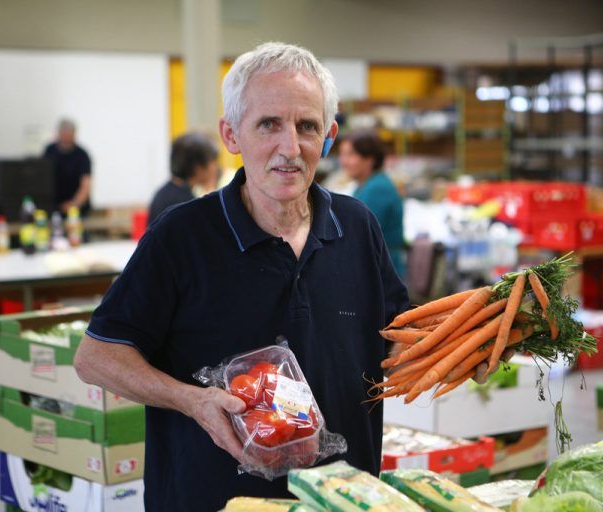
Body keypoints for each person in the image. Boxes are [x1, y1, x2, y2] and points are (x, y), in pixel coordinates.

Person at [72, 42, 409, 511]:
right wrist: (193, 401)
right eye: (268, 124)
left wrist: (463, 344)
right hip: (214, 500)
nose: (289, 148)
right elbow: (96, 356)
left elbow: (395, 333)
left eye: (307, 126)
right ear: (232, 135)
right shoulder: (182, 236)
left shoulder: (357, 225)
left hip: (342, 498)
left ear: (328, 135)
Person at [338, 132, 406, 277]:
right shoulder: (363, 186)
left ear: (369, 159)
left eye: (350, 155)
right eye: (342, 155)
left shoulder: (377, 188)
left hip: (381, 269)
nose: (343, 161)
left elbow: (358, 233)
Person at [148, 131, 219, 224]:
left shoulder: (163, 193)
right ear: (198, 168)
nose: (216, 168)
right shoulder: (186, 204)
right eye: (213, 161)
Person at [42, 119, 92, 215]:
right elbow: (42, 178)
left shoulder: (82, 155)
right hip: (53, 205)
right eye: (63, 132)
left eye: (68, 132)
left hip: (77, 206)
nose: (65, 135)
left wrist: (74, 204)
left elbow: (86, 185)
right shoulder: (49, 151)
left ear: (74, 134)